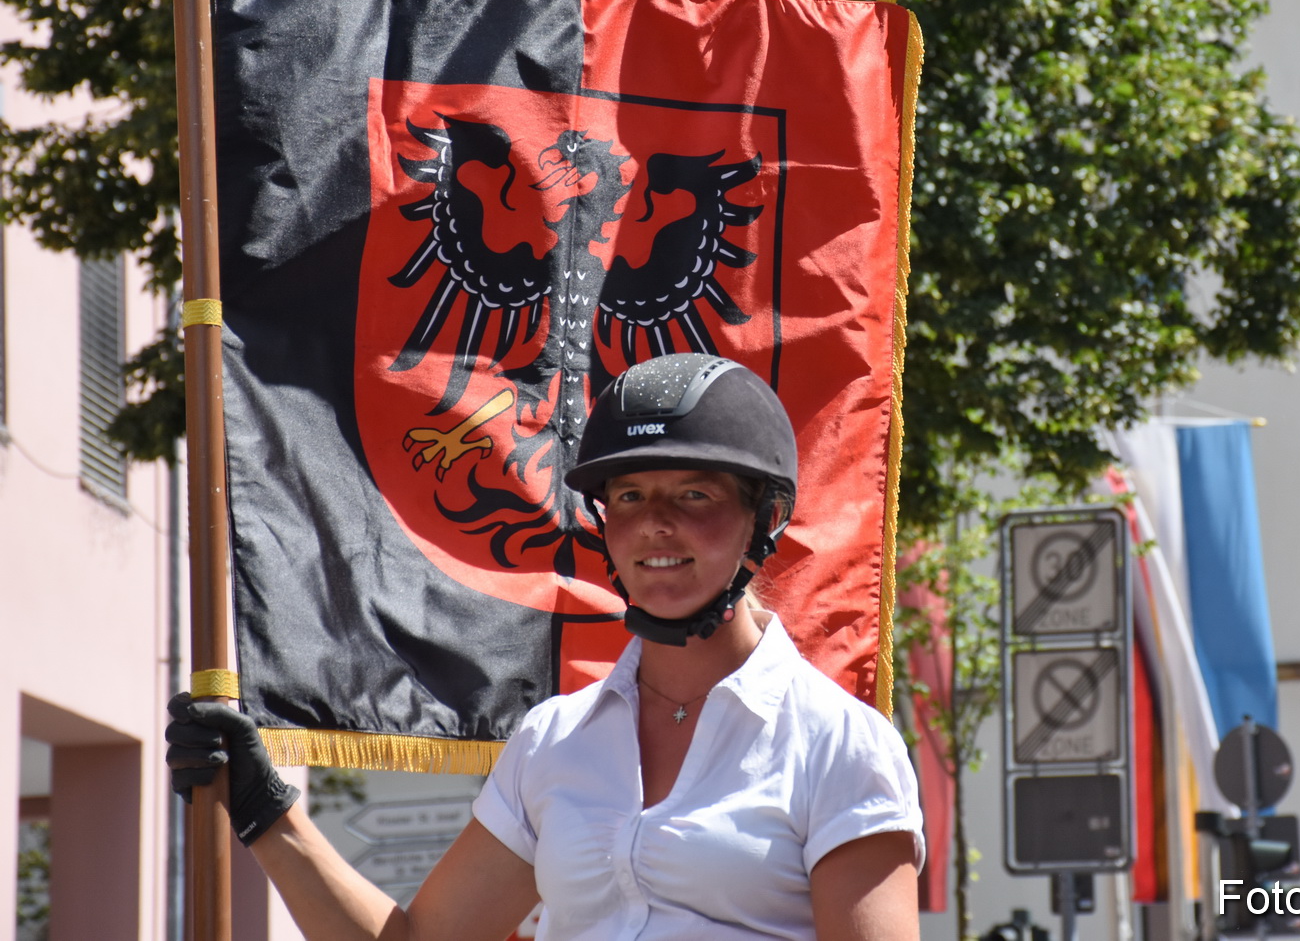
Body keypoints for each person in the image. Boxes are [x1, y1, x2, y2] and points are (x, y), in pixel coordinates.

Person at [167, 352, 923, 940]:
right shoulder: (554, 741)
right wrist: (266, 811)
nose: (655, 524)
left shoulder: (840, 745)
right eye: (629, 496)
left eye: (694, 494)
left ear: (766, 517)